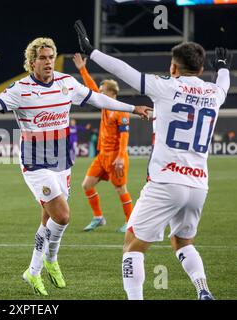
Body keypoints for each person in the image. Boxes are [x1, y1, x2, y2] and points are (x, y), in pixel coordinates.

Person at [0, 37, 151, 296]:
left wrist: (133, 108)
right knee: (63, 215)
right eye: (42, 58)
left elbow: (98, 100)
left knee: (48, 220)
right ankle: (47, 261)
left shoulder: (66, 83)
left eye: (51, 57)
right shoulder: (20, 90)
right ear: (31, 62)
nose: (48, 62)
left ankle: (36, 269)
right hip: (35, 163)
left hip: (62, 161)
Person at [75, 19, 232, 300]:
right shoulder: (214, 94)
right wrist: (222, 66)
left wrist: (92, 52)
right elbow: (223, 83)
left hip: (165, 182)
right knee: (182, 241)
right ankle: (203, 290)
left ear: (173, 67)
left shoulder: (164, 87)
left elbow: (125, 71)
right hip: (198, 185)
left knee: (131, 246)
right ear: (200, 68)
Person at [72, 53, 133, 233]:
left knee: (121, 188)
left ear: (112, 92)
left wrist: (121, 157)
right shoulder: (105, 106)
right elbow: (91, 88)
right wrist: (82, 69)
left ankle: (131, 222)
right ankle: (98, 217)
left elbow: (124, 137)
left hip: (116, 156)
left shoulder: (120, 111)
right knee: (86, 185)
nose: (99, 91)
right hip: (102, 156)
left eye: (102, 89)